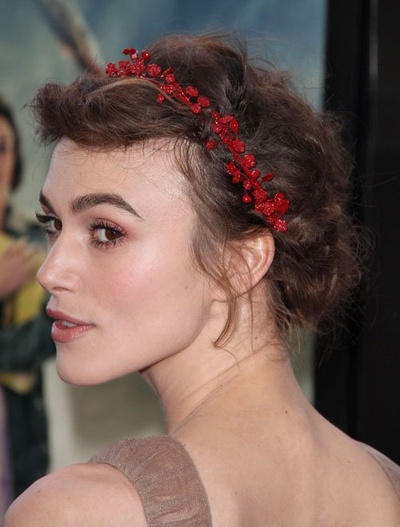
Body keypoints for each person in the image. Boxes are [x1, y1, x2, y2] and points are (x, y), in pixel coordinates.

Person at [5, 32, 400, 526]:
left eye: (106, 232)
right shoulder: (386, 488)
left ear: (241, 262)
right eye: (52, 224)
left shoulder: (81, 512)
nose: (49, 272)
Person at [0, 96, 55, 516]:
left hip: (20, 438)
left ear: (16, 158)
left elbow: (42, 341)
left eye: (1, 148)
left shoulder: (34, 238)